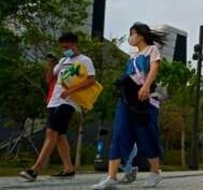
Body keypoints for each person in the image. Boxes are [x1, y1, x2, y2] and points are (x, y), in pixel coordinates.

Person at [92, 23, 166, 189]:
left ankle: (155, 172)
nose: (130, 38)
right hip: (127, 100)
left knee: (145, 135)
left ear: (140, 35)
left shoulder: (151, 50)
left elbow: (154, 68)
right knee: (119, 133)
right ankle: (111, 177)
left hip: (145, 100)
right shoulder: (132, 56)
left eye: (132, 34)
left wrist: (146, 86)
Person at [20, 32, 96, 182]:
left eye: (67, 46)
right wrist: (50, 66)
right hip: (54, 100)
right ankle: (69, 168)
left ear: (74, 44)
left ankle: (35, 169)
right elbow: (50, 80)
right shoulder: (63, 60)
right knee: (60, 136)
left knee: (51, 132)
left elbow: (91, 80)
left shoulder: (84, 60)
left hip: (68, 102)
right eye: (62, 47)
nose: (65, 49)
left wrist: (70, 91)